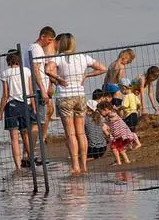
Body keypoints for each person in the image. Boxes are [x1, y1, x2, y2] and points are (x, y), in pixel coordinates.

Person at [50, 32, 105, 175]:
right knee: (81, 133)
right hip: (80, 96)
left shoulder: (59, 58)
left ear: (62, 44)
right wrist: (86, 75)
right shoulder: (83, 57)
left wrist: (59, 79)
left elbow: (47, 70)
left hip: (65, 96)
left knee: (71, 133)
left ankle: (75, 166)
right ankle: (84, 165)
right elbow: (103, 68)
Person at [0, 50, 36, 172]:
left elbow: (5, 95)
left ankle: (18, 167)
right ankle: (31, 159)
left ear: (8, 59)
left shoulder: (5, 73)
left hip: (11, 106)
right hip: (25, 105)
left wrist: (0, 113)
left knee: (14, 138)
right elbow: (30, 91)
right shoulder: (26, 71)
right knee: (25, 135)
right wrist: (33, 108)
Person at [26, 27, 57, 156]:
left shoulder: (30, 47)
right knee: (35, 124)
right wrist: (43, 90)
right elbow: (36, 70)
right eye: (49, 40)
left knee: (35, 123)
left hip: (36, 88)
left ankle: (28, 155)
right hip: (38, 90)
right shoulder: (37, 49)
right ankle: (30, 155)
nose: (49, 43)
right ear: (42, 36)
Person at [100, 100, 139, 165]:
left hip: (120, 135)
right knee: (120, 149)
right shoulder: (110, 114)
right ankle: (126, 161)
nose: (100, 113)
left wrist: (109, 120)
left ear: (105, 109)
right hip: (118, 135)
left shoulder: (111, 114)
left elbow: (115, 117)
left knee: (114, 148)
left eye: (101, 111)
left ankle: (119, 162)